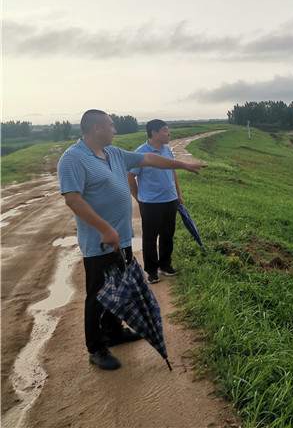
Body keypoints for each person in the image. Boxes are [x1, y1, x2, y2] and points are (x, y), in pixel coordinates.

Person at [57, 110, 207, 370]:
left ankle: (114, 333)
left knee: (120, 288)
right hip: (100, 240)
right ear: (96, 128)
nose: (115, 130)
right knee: (98, 294)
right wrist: (104, 228)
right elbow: (73, 199)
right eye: (111, 126)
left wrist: (183, 165)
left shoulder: (114, 154)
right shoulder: (73, 159)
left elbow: (149, 158)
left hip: (122, 236)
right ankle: (96, 347)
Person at [127, 120, 181, 284]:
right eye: (165, 130)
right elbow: (130, 176)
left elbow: (173, 173)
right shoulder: (140, 154)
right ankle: (151, 270)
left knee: (167, 235)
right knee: (150, 237)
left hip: (170, 200)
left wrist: (178, 194)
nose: (168, 133)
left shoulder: (167, 150)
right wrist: (138, 197)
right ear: (154, 133)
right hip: (150, 203)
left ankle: (165, 265)